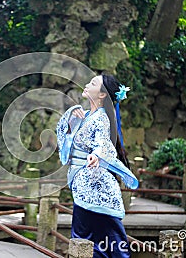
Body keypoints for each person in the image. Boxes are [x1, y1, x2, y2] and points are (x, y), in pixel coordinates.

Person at [56, 74, 138, 258]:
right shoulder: (85, 115)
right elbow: (64, 135)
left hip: (97, 187)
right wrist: (70, 115)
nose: (87, 84)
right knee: (85, 238)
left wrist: (97, 155)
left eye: (93, 83)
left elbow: (103, 142)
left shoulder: (101, 119)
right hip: (83, 185)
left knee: (109, 240)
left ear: (102, 95)